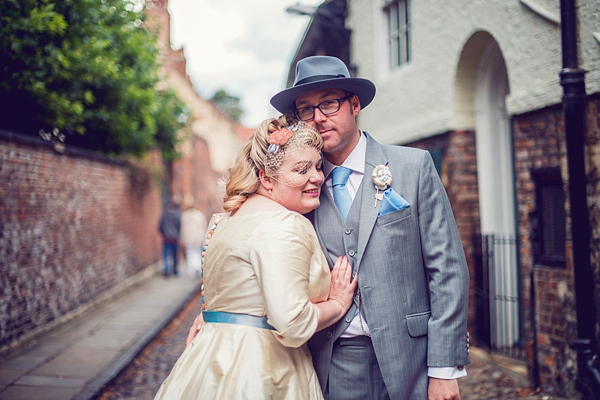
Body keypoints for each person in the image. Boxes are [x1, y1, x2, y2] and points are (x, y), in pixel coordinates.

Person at [268, 56, 471, 400]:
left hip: (412, 359)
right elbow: (258, 248)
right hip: (333, 361)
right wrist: (213, 312)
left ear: (355, 104)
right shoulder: (295, 190)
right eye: (306, 109)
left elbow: (447, 270)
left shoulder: (413, 166)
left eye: (329, 103)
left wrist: (444, 368)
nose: (318, 117)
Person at [154, 115, 358, 400]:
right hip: (262, 369)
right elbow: (293, 322)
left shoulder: (222, 221)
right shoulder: (284, 223)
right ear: (266, 178)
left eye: (318, 166)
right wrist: (337, 304)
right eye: (301, 170)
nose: (317, 177)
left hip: (207, 360)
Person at [180, 204, 207, 278]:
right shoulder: (200, 215)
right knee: (197, 253)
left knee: (190, 254)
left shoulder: (184, 216)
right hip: (198, 238)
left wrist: (183, 237)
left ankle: (192, 271)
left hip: (188, 238)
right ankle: (198, 267)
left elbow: (182, 229)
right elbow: (203, 226)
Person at [159, 201, 181, 276]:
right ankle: (175, 271)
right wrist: (177, 234)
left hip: (166, 238)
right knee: (175, 255)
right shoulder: (176, 216)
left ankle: (167, 270)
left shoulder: (164, 216)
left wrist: (164, 234)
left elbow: (160, 227)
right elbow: (179, 226)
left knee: (166, 255)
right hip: (174, 238)